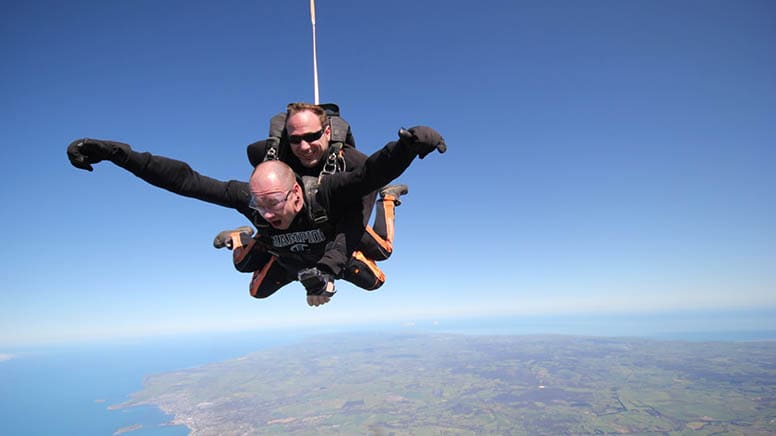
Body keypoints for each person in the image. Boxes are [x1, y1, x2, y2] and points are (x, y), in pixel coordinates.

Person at [67, 126, 445, 307]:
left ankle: (390, 204)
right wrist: (118, 154)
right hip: (288, 258)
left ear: (296, 193)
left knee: (381, 263)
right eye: (258, 205)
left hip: (331, 250)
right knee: (254, 290)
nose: (264, 212)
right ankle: (239, 237)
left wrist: (408, 147)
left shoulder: (325, 194)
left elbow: (371, 174)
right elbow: (185, 181)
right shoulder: (252, 203)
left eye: (273, 205)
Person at [215, 103, 407, 293]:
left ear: (328, 132)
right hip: (287, 226)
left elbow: (360, 208)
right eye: (296, 139)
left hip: (333, 225)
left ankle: (388, 199)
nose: (304, 147)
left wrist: (340, 250)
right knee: (251, 280)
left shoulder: (351, 161)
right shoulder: (280, 151)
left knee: (382, 252)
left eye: (312, 136)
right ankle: (250, 240)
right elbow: (252, 153)